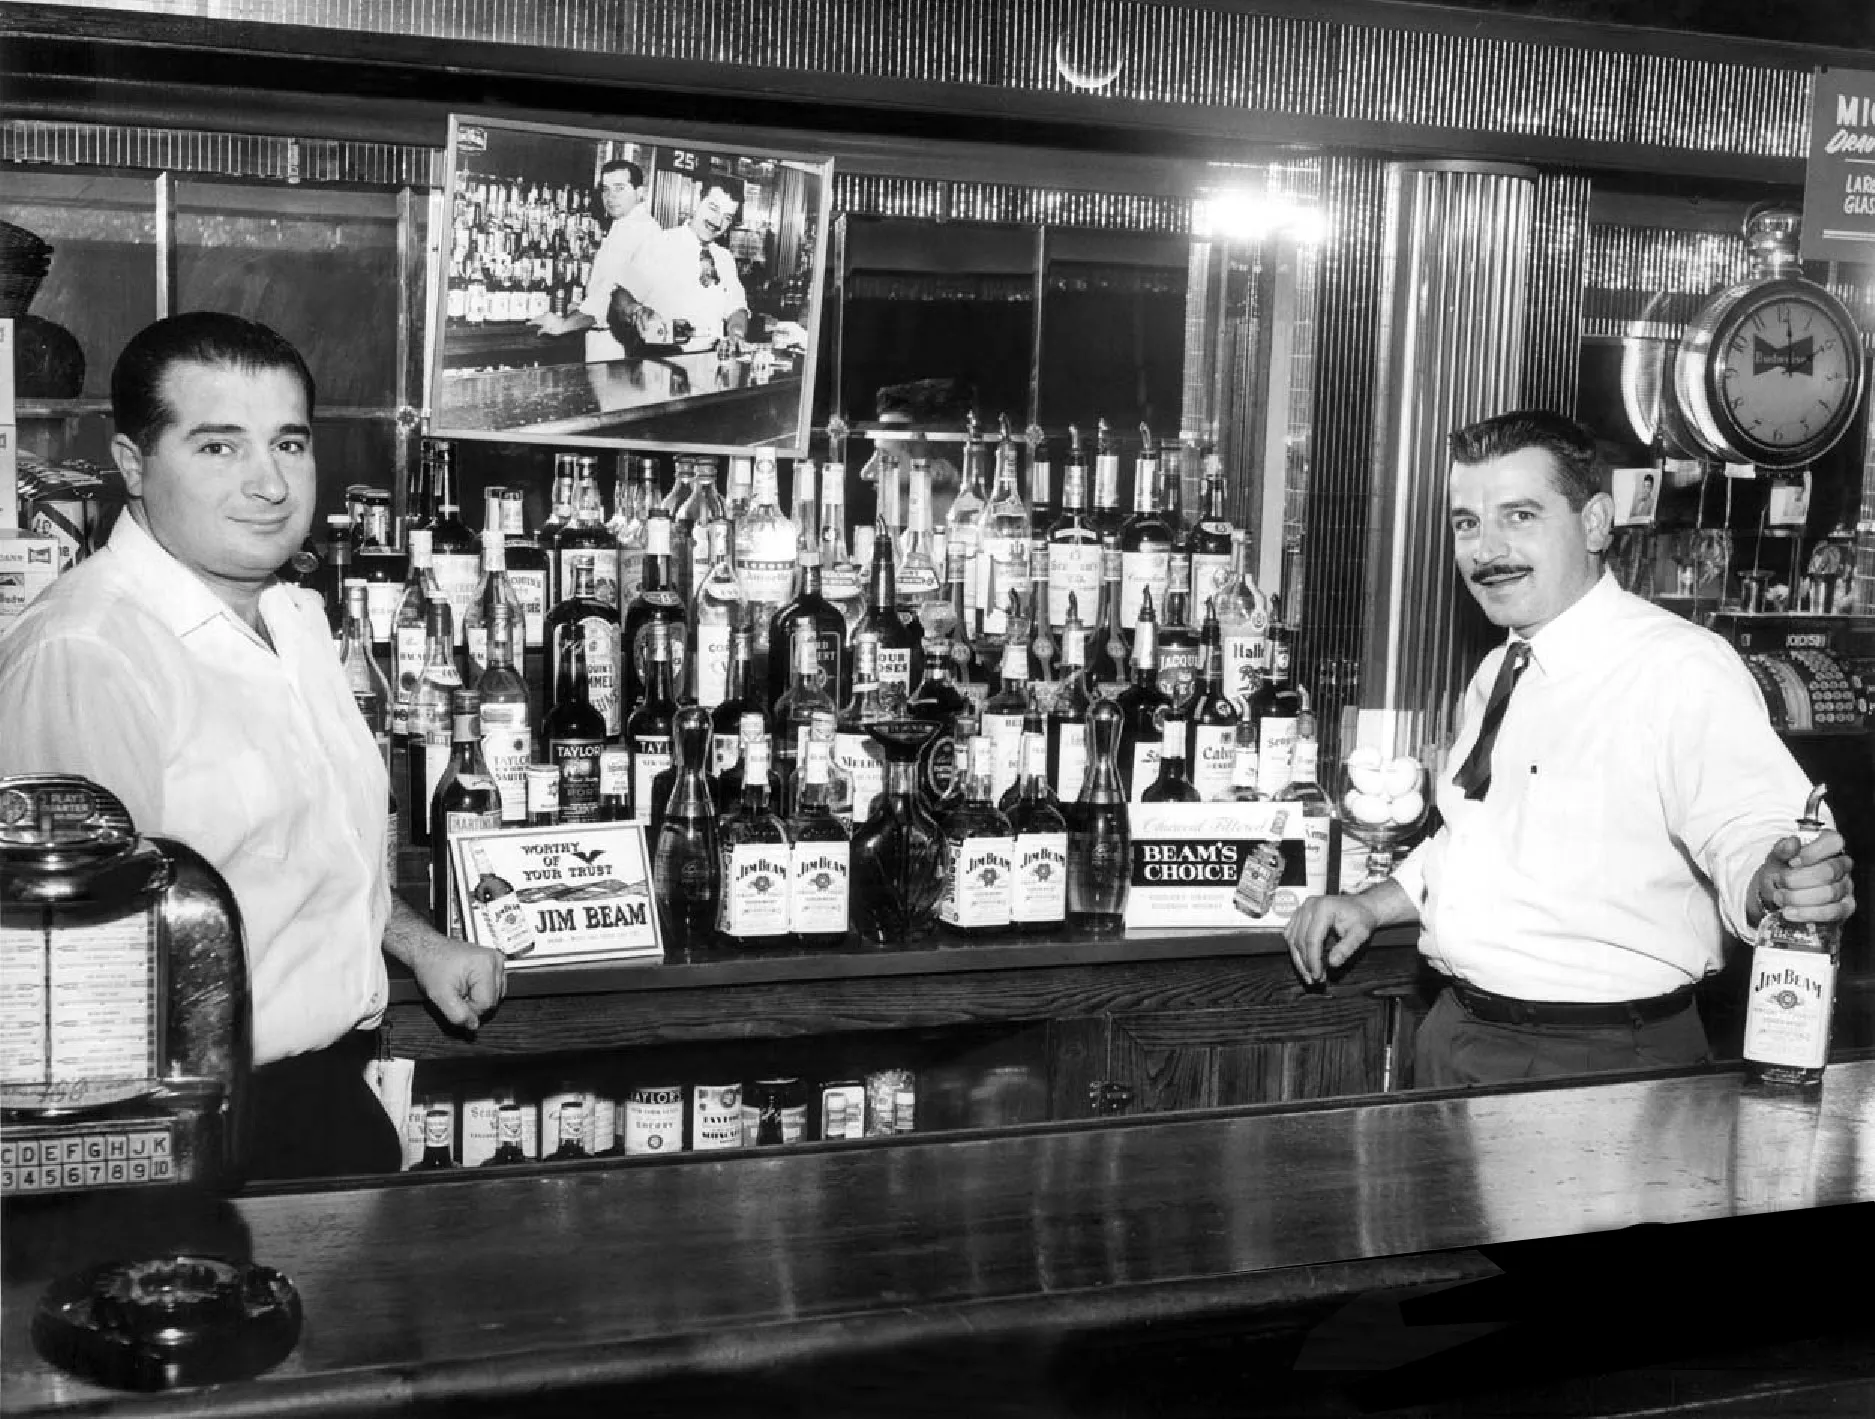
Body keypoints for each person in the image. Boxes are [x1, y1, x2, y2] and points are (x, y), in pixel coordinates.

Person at [0, 312, 508, 1178]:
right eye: (218, 446)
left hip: (324, 1106)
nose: (269, 483)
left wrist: (418, 943)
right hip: (184, 1145)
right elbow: (64, 990)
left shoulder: (289, 614)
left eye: (289, 443)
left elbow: (296, 846)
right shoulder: (89, 651)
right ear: (132, 464)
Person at [1285, 410, 1854, 1088]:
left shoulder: (1677, 667)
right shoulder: (1499, 670)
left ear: (1594, 523)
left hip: (1597, 1057)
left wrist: (1775, 880)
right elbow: (1477, 836)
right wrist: (1370, 904)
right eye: (1466, 523)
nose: (1486, 550)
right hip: (1455, 1034)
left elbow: (1747, 824)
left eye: (1520, 515)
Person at [534, 158, 660, 362]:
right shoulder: (624, 225)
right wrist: (580, 308)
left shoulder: (640, 230)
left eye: (619, 188)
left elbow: (609, 298)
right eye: (605, 189)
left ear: (640, 192)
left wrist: (564, 325)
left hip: (619, 345)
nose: (610, 197)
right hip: (607, 339)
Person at [611, 175, 750, 355]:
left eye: (727, 217)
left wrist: (736, 333)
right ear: (698, 201)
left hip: (709, 360)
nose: (717, 222)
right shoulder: (660, 244)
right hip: (660, 360)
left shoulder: (725, 259)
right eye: (713, 208)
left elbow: (737, 308)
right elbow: (621, 296)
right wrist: (636, 311)